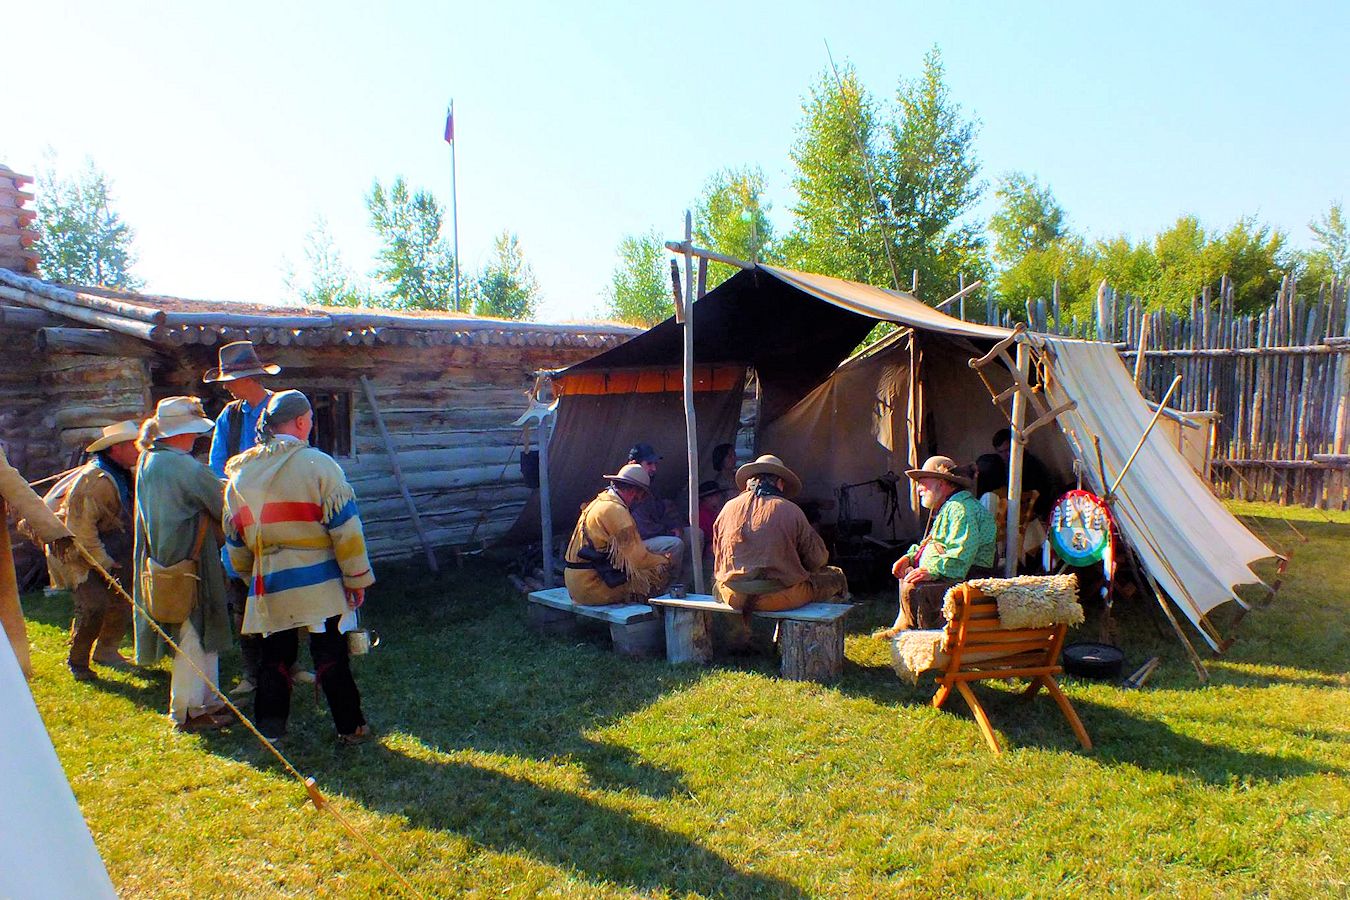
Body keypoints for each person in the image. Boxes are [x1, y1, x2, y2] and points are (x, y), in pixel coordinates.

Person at [223, 390, 375, 745]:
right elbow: (345, 528)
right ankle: (350, 726)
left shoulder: (240, 473)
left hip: (271, 581)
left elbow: (235, 539)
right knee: (330, 653)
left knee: (273, 656)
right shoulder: (318, 465)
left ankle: (272, 731)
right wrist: (355, 578)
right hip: (319, 578)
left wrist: (252, 577)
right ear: (302, 422)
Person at [132, 397, 234, 732]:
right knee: (193, 631)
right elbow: (224, 507)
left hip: (165, 557)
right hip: (190, 560)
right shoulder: (184, 467)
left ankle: (208, 700)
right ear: (179, 433)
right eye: (191, 432)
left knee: (196, 629)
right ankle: (187, 709)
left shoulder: (149, 460)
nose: (195, 438)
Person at [203, 340, 290, 697]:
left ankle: (289, 665)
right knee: (242, 595)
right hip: (241, 512)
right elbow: (217, 463)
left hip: (278, 511)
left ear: (250, 377)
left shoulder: (281, 407)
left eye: (232, 379)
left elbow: (293, 453)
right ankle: (253, 673)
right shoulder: (231, 415)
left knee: (285, 592)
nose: (227, 386)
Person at [46, 420, 142, 681]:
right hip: (78, 552)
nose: (139, 450)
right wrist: (104, 562)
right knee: (94, 605)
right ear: (117, 449)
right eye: (133, 445)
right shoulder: (94, 481)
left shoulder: (124, 473)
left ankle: (107, 651)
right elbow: (80, 529)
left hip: (109, 545)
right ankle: (77, 661)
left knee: (121, 601)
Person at [712, 454, 849, 612]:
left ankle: (739, 630)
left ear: (750, 481)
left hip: (734, 596)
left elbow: (718, 553)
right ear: (780, 483)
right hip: (777, 597)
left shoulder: (728, 508)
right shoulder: (791, 510)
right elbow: (817, 560)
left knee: (718, 581)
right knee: (835, 576)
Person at [879, 455, 997, 637]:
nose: (918, 488)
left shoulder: (961, 509)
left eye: (922, 482)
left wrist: (932, 570)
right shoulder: (950, 507)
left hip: (970, 576)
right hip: (956, 571)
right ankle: (904, 627)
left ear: (941, 483)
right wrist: (909, 557)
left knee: (914, 583)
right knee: (909, 575)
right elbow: (933, 541)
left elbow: (961, 556)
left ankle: (924, 637)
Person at [563, 463, 672, 606]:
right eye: (641, 495)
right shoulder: (616, 511)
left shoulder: (598, 503)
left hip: (576, 584)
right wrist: (665, 561)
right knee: (655, 574)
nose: (640, 500)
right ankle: (662, 610)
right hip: (592, 587)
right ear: (634, 491)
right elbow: (639, 560)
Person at [624, 443, 686, 573]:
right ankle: (669, 589)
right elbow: (643, 528)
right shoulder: (628, 488)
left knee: (696, 534)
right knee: (675, 544)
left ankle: (685, 584)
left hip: (655, 534)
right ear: (634, 464)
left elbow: (664, 511)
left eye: (655, 464)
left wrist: (675, 526)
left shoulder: (651, 486)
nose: (654, 469)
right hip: (636, 542)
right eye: (649, 464)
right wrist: (669, 532)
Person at [992, 428, 1058, 520]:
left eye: (1008, 450)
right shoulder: (1006, 464)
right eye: (1001, 452)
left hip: (1037, 509)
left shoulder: (1030, 464)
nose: (1006, 454)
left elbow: (1040, 493)